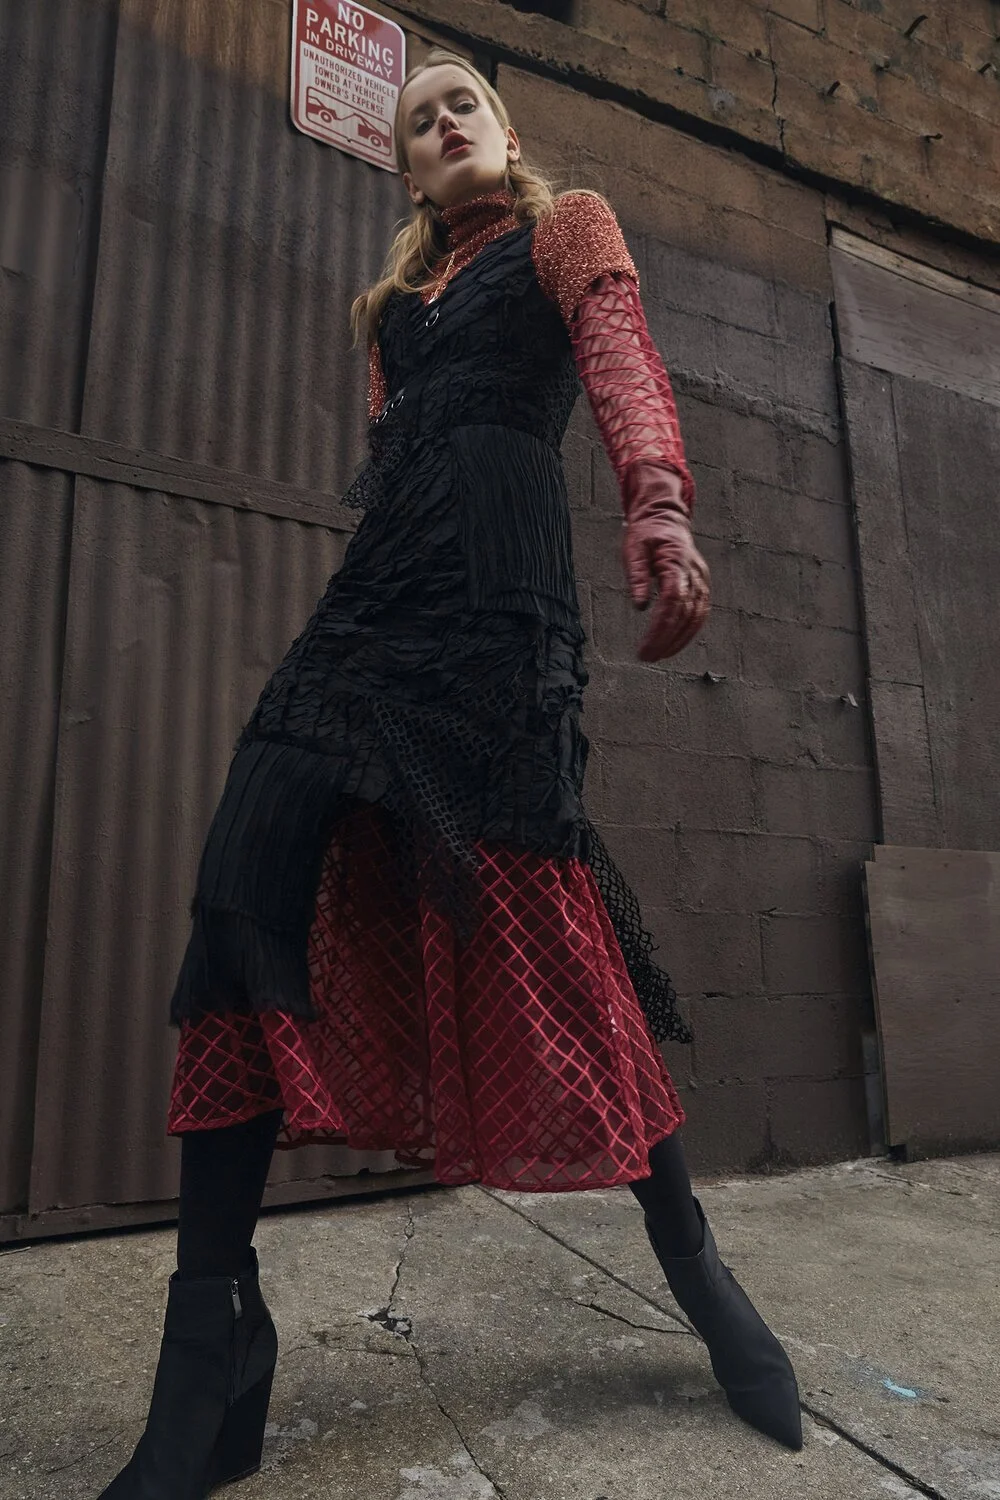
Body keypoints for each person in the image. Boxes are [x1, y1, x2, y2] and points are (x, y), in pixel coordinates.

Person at [97, 47, 802, 1500]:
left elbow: (623, 363)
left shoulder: (569, 229)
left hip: (499, 616)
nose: (440, 125)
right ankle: (211, 1336)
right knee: (241, 880)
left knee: (556, 944)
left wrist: (658, 505)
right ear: (406, 169)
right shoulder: (394, 312)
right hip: (372, 613)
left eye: (460, 103)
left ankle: (697, 1268)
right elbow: (393, 459)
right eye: (416, 123)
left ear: (507, 131)